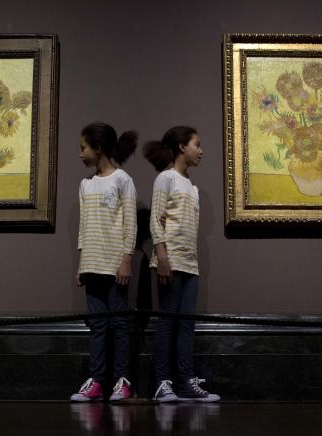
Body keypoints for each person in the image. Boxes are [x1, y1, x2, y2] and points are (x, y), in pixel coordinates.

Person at [143, 126, 219, 403]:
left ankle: (186, 382)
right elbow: (156, 219)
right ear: (181, 147)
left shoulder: (192, 187)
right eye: (197, 145)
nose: (201, 151)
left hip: (190, 265)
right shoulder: (166, 179)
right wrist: (162, 256)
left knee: (187, 326)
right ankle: (163, 382)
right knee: (167, 323)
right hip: (169, 262)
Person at [70, 122, 139, 402]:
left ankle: (122, 381)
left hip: (114, 266)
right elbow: (84, 227)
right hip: (92, 265)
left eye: (83, 148)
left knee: (119, 326)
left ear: (98, 149)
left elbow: (130, 223)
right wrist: (81, 263)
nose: (80, 154)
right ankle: (97, 381)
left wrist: (126, 260)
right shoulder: (85, 185)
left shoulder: (123, 180)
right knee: (97, 326)